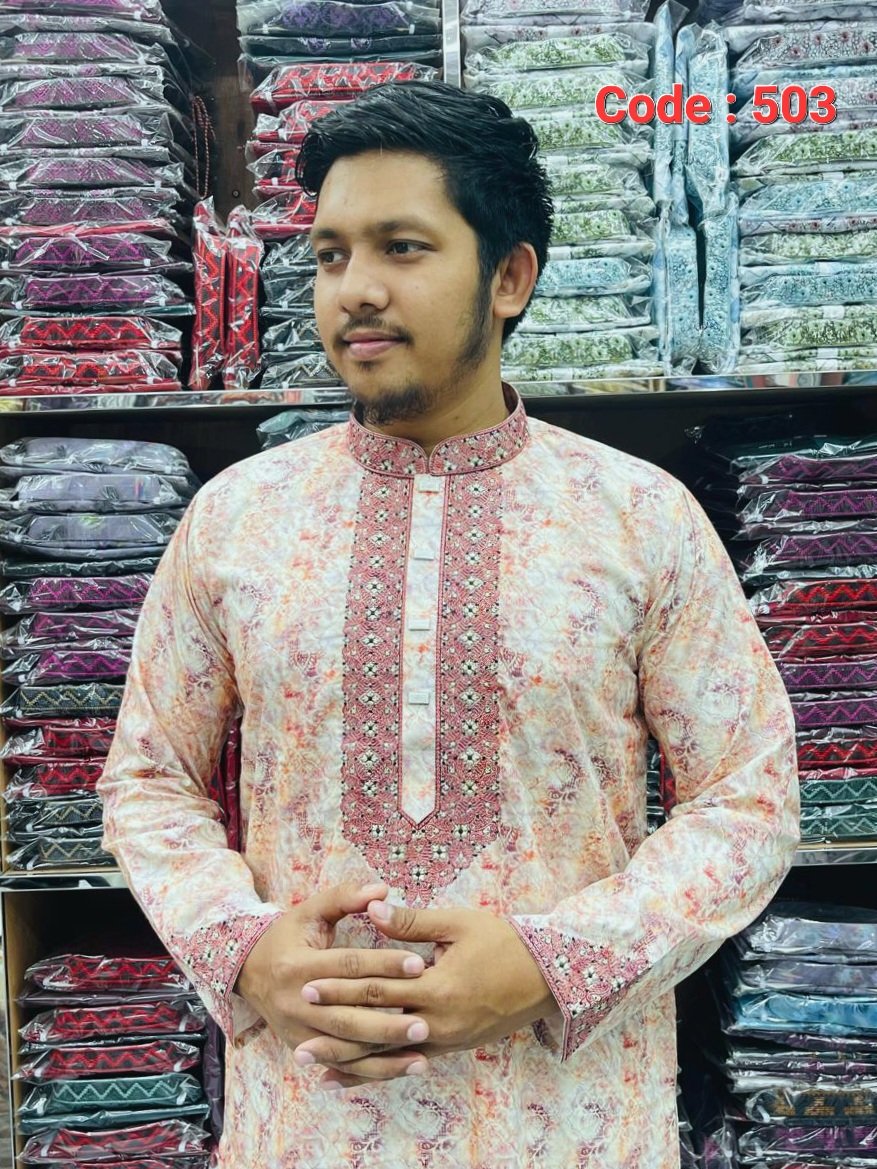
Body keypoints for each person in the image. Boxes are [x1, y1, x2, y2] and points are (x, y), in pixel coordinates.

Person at [98, 81, 800, 1168]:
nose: (357, 290)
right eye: (330, 255)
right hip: (307, 1126)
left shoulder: (638, 515)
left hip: (573, 1126)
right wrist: (246, 951)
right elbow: (148, 779)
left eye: (402, 247)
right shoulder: (236, 518)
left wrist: (556, 961)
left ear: (509, 276)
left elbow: (748, 795)